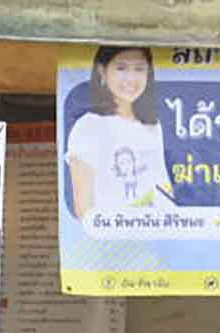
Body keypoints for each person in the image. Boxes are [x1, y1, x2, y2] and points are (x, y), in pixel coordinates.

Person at [64, 46, 170, 218]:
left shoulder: (153, 126)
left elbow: (163, 188)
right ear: (102, 72)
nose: (131, 78)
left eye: (139, 69)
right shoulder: (88, 126)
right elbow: (84, 210)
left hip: (155, 233)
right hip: (112, 238)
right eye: (121, 68)